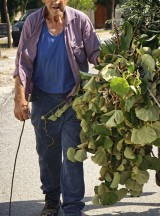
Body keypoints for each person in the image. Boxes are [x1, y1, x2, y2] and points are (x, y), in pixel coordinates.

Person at [13, 0, 101, 215]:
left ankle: (72, 207)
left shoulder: (80, 20)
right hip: (43, 100)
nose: (55, 1)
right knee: (47, 153)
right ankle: (52, 199)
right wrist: (20, 98)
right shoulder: (33, 23)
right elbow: (22, 64)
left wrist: (115, 62)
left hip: (74, 99)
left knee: (72, 155)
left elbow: (95, 53)